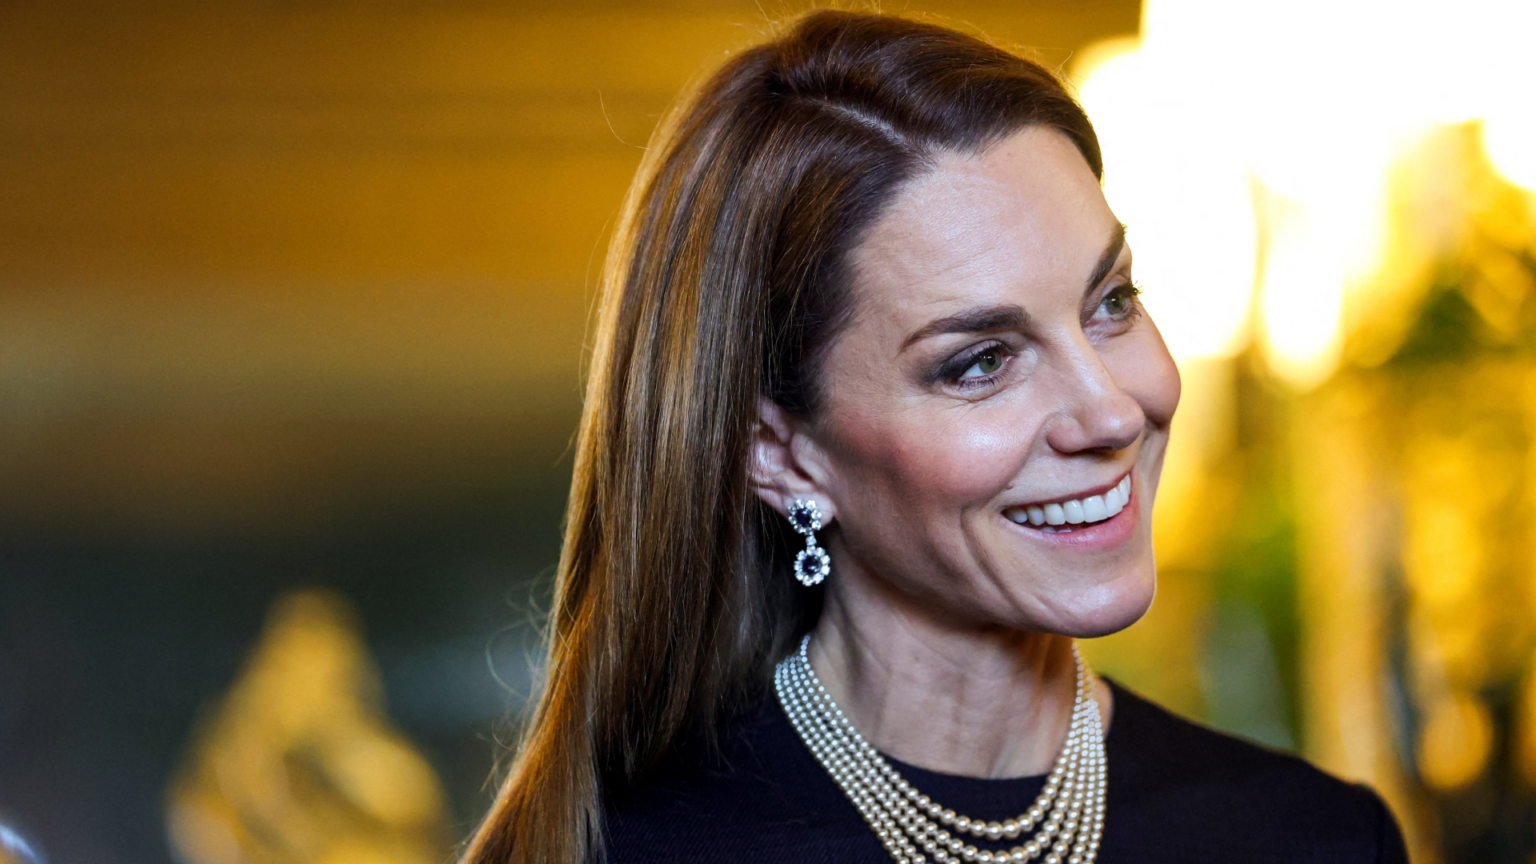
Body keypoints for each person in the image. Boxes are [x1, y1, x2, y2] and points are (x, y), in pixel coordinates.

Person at [461, 10, 1409, 864]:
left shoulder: (1318, 838)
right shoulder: (620, 851)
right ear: (780, 454)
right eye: (981, 362)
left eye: (1112, 301)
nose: (1115, 413)